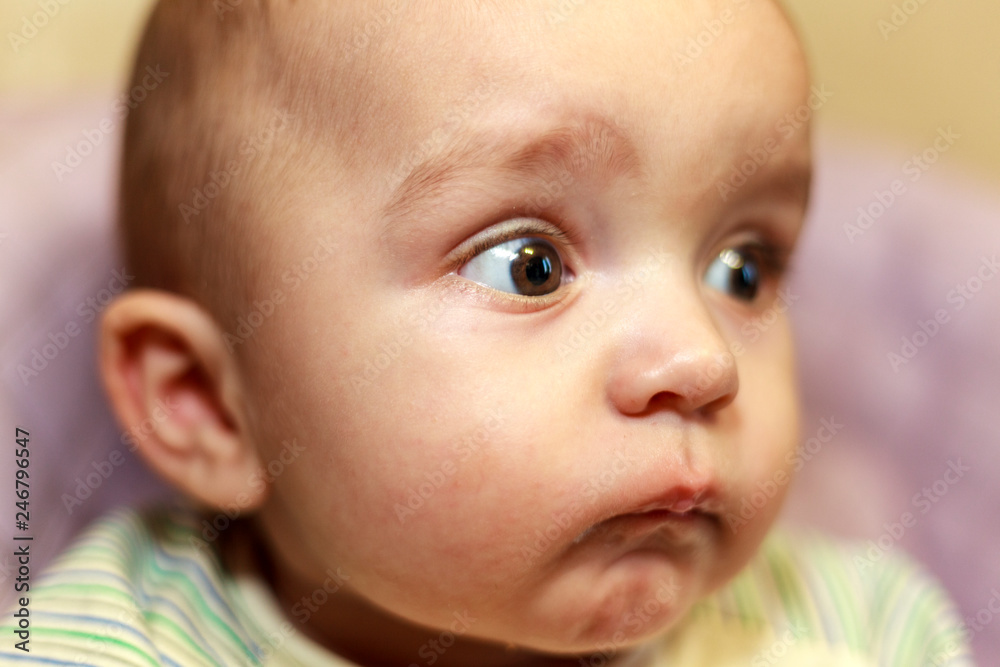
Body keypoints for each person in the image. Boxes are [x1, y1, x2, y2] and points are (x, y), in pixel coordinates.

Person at [4, 0, 974, 664]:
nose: (701, 357)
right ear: (211, 406)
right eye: (530, 266)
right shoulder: (105, 644)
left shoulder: (859, 627)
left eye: (743, 269)